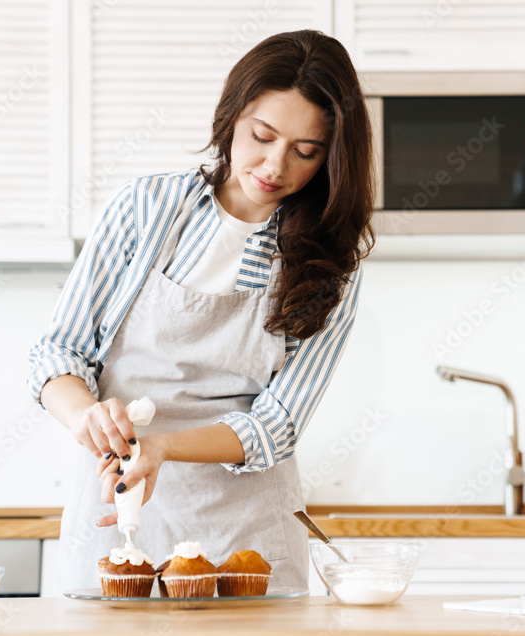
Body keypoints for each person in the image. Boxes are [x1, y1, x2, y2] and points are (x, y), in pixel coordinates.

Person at [27, 29, 374, 594]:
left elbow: (277, 424)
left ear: (331, 155)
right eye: (261, 135)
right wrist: (82, 415)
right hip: (120, 510)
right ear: (231, 117)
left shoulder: (332, 261)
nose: (274, 164)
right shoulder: (147, 207)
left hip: (248, 533)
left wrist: (164, 445)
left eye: (305, 151)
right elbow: (59, 351)